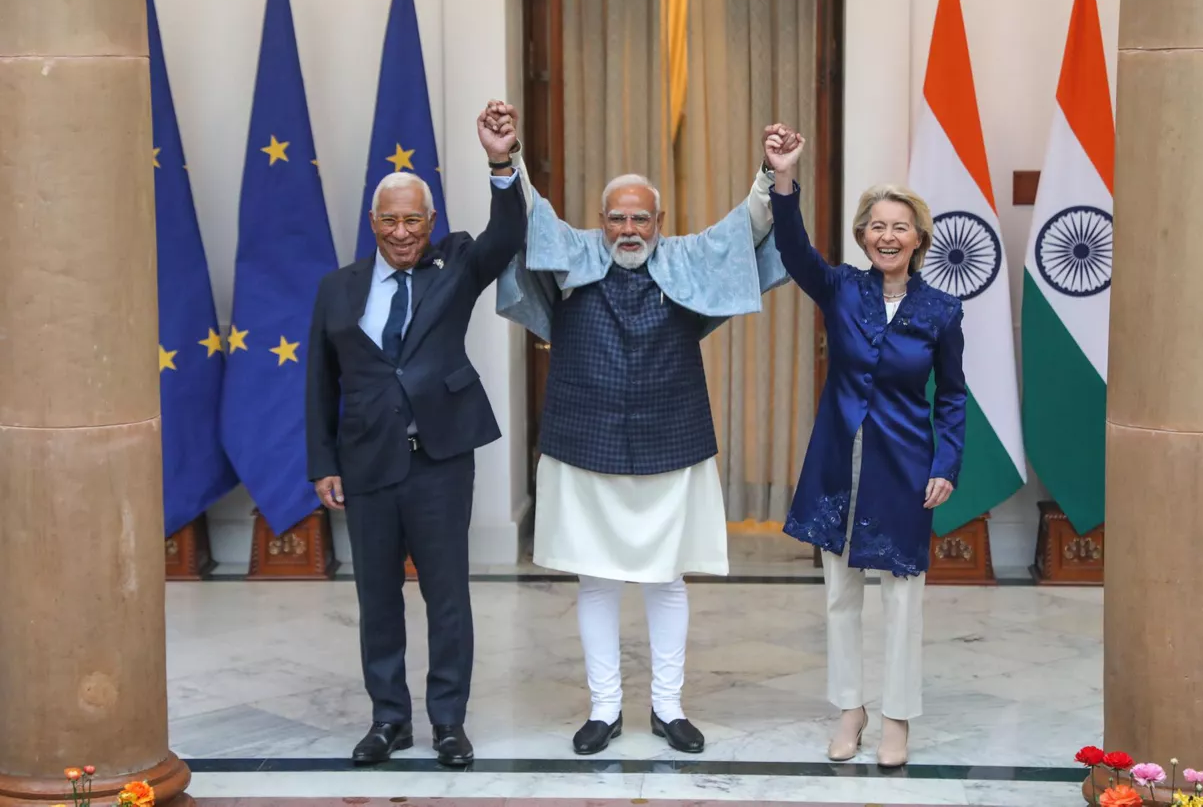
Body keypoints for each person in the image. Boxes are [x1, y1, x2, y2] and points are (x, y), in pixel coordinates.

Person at [491, 105, 788, 755]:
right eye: (618, 217)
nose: (629, 228)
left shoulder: (687, 260)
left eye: (641, 217)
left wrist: (772, 173)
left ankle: (667, 708)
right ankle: (602, 711)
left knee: (665, 578)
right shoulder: (570, 256)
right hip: (582, 442)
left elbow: (747, 228)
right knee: (595, 579)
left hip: (672, 440)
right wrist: (504, 159)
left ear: (660, 222)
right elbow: (529, 216)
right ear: (602, 223)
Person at [305, 102, 526, 767]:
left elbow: (507, 232)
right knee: (376, 599)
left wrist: (500, 160)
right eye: (390, 220)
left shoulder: (454, 265)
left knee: (446, 596)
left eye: (413, 219)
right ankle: (389, 720)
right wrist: (323, 463)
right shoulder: (337, 290)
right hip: (366, 461)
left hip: (439, 460)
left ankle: (449, 723)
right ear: (373, 224)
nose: (402, 231)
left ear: (431, 224)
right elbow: (318, 381)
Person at [764, 126, 966, 768]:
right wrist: (784, 178)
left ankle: (897, 719)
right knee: (840, 593)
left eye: (899, 226)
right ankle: (850, 710)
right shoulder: (842, 289)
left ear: (918, 239)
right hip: (837, 465)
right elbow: (793, 251)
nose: (887, 235)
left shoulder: (941, 311)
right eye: (876, 225)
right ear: (862, 235)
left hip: (906, 467)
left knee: (903, 598)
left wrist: (947, 464)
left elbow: (953, 397)